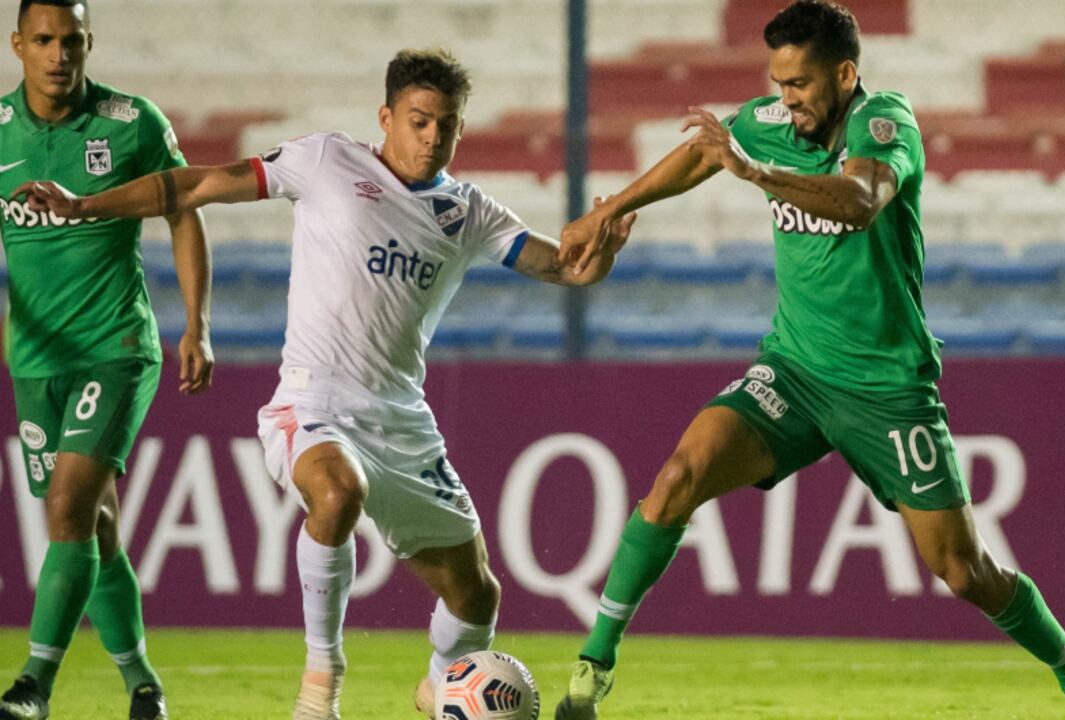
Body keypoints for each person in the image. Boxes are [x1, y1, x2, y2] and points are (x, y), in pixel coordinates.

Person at [15, 47, 634, 720]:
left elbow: (564, 269)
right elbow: (193, 185)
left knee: (476, 594)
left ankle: (441, 693)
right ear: (387, 117)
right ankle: (321, 687)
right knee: (337, 493)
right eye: (419, 121)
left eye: (446, 126)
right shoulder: (328, 161)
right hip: (311, 401)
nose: (432, 138)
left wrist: (598, 257)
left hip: (400, 419)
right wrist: (87, 205)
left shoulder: (466, 211)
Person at [551, 2, 1065, 719]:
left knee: (963, 571)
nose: (788, 99)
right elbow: (704, 152)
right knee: (678, 476)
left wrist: (755, 173)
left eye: (802, 84)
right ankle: (591, 671)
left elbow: (859, 199)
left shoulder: (885, 122)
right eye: (779, 83)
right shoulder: (773, 123)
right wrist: (609, 211)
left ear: (846, 74)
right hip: (795, 371)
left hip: (886, 389)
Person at [0, 0, 213, 718]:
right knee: (93, 526)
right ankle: (142, 682)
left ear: (89, 43)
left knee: (67, 508)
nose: (59, 55)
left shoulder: (132, 123)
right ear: (18, 45)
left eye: (72, 41)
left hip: (116, 348)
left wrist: (197, 323)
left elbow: (184, 209)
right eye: (44, 41)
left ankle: (33, 684)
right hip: (34, 359)